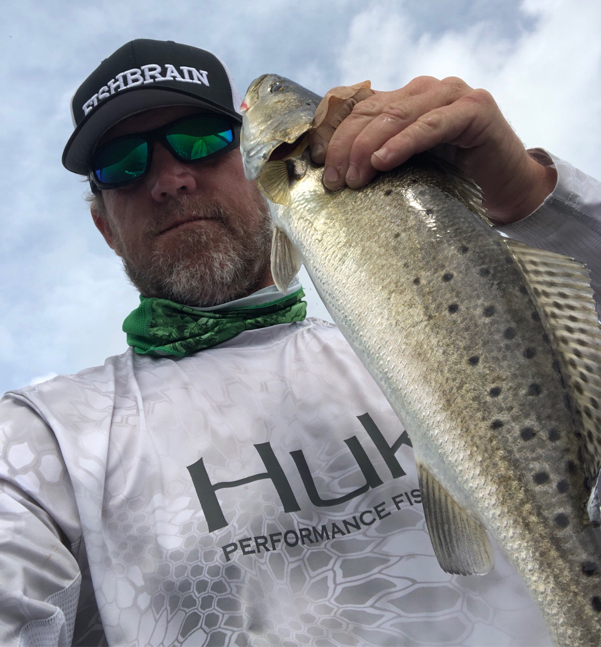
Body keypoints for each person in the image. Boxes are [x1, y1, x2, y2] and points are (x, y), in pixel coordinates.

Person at [1, 38, 600, 647]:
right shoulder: (39, 436)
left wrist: (533, 197)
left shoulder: (459, 333)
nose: (170, 179)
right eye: (122, 164)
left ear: (256, 165)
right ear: (105, 227)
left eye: (201, 140)